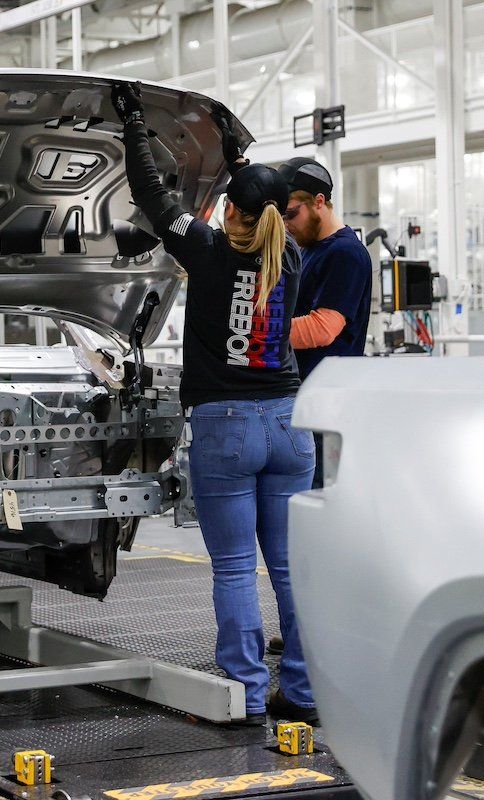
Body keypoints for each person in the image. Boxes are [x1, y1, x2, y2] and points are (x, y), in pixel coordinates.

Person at [112, 82, 318, 726]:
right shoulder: (289, 259)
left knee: (233, 569)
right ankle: (306, 693)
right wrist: (233, 158)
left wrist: (133, 128)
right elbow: (251, 203)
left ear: (227, 211)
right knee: (289, 572)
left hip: (227, 429)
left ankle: (247, 694)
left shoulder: (205, 251)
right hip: (289, 426)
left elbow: (153, 198)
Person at [278, 156, 373, 485]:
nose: (288, 224)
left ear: (319, 201)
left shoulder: (345, 253)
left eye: (292, 214)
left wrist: (257, 331)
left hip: (327, 402)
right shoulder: (309, 249)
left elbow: (322, 328)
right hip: (306, 396)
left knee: (317, 496)